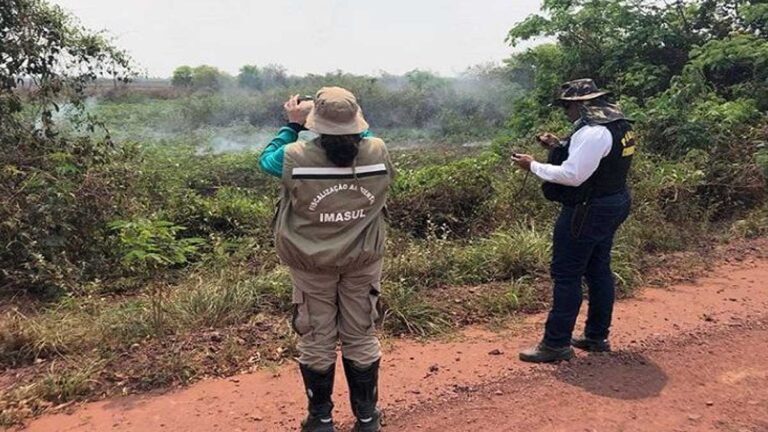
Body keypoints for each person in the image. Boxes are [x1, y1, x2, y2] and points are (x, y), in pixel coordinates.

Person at [259, 87, 395, 432]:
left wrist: (292, 123)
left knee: (317, 338)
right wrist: (343, 118)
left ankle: (320, 420)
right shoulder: (377, 150)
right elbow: (362, 135)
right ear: (357, 121)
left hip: (310, 263)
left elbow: (266, 160)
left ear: (314, 122)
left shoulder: (293, 155)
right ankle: (367, 419)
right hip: (362, 260)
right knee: (361, 335)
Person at [511, 79, 636, 363]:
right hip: (613, 201)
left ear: (582, 103)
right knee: (598, 268)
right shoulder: (618, 125)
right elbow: (597, 160)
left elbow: (573, 175)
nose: (566, 111)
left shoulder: (593, 133)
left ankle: (556, 343)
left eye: (567, 105)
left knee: (567, 274)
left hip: (588, 209)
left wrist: (532, 166)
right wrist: (559, 145)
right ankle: (596, 336)